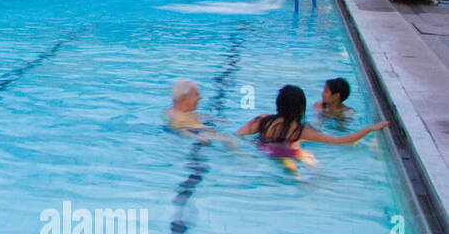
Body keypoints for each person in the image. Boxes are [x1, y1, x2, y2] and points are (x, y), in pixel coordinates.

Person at [236, 84, 388, 172]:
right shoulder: (301, 130)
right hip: (290, 152)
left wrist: (251, 145)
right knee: (310, 163)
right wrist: (370, 129)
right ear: (301, 108)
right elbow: (342, 141)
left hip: (264, 149)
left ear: (278, 103)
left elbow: (237, 135)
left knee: (291, 164)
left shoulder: (263, 121)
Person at [164, 79, 237, 146]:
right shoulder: (180, 119)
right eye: (196, 94)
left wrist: (216, 119)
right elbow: (183, 130)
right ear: (184, 98)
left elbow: (193, 116)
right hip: (200, 133)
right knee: (231, 141)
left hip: (198, 131)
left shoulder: (173, 113)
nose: (200, 97)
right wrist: (198, 137)